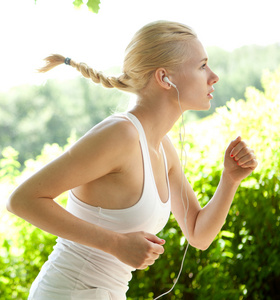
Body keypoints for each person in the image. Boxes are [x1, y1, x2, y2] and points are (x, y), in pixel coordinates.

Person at [7, 20, 258, 300]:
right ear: (165, 78)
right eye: (202, 66)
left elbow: (199, 234)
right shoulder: (121, 135)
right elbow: (22, 200)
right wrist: (115, 243)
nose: (213, 76)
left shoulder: (163, 147)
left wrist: (230, 178)